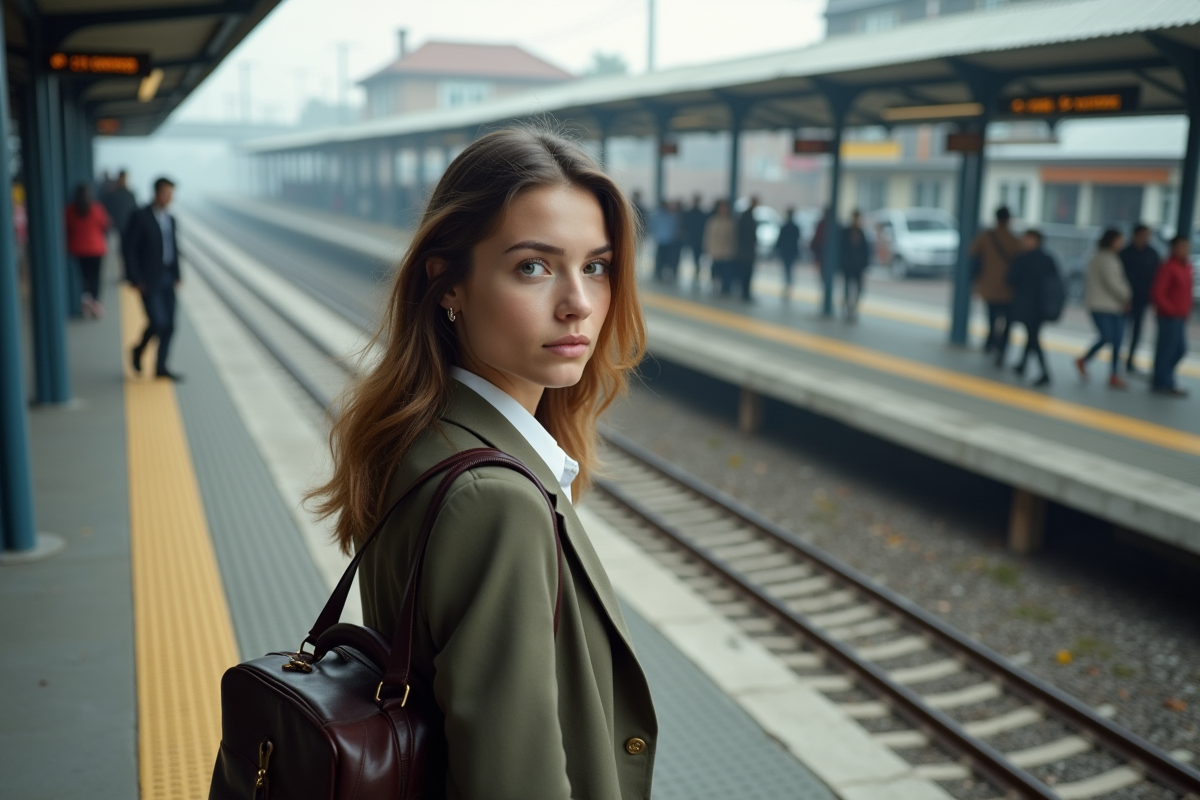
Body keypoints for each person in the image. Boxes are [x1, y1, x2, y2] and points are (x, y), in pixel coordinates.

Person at [306, 127, 657, 799]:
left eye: (596, 266)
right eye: (533, 266)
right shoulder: (494, 497)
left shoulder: (418, 434)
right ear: (448, 284)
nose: (578, 302)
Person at [125, 177, 182, 381]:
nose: (169, 198)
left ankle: (161, 367)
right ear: (156, 193)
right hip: (148, 279)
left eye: (171, 194)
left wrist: (177, 275)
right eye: (166, 193)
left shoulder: (171, 219)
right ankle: (138, 350)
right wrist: (135, 278)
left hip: (168, 276)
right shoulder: (140, 216)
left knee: (170, 325)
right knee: (158, 322)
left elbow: (174, 249)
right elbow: (129, 249)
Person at [1076, 228, 1132, 388]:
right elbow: (1114, 283)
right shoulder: (1106, 258)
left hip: (1111, 306)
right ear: (1112, 241)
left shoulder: (1102, 257)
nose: (1122, 243)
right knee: (1110, 337)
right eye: (1120, 240)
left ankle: (1113, 373)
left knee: (1116, 340)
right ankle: (1090, 362)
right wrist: (1127, 295)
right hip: (1104, 305)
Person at [1006, 229, 1059, 387]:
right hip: (1043, 306)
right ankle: (1022, 365)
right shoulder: (1048, 259)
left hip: (1028, 305)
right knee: (1032, 335)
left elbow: (1010, 279)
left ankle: (1045, 372)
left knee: (1033, 338)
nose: (1024, 241)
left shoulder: (1022, 258)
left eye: (1027, 239)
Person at [970, 207, 1020, 365]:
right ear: (1009, 219)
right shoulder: (1014, 240)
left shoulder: (986, 237)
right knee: (1008, 322)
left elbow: (971, 252)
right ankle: (1002, 349)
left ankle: (991, 344)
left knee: (992, 319)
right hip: (1009, 289)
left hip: (989, 286)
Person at [1149, 236, 1193, 397]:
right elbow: (1158, 293)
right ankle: (1161, 382)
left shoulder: (1186, 266)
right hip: (1169, 316)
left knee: (1179, 349)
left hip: (1180, 316)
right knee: (1166, 350)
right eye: (1182, 246)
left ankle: (1165, 379)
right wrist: (1170, 309)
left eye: (1187, 246)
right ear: (1173, 248)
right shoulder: (1168, 267)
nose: (1185, 250)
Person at [64, 183, 111, 319]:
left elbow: (67, 227)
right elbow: (105, 225)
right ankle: (94, 303)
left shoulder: (69, 210)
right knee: (95, 277)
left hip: (78, 248)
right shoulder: (96, 208)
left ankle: (85, 301)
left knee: (84, 277)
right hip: (96, 248)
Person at [1119, 223, 1160, 374]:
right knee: (1120, 332)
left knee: (1137, 331)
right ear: (1135, 235)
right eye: (1144, 235)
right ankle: (1116, 362)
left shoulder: (1152, 253)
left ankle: (1130, 360)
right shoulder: (1125, 253)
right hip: (1124, 299)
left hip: (1142, 299)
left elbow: (1156, 277)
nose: (1146, 238)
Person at [839, 209, 870, 321]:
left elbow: (866, 250)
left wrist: (865, 265)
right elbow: (841, 249)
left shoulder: (861, 232)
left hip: (858, 267)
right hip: (848, 266)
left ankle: (854, 309)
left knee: (859, 289)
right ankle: (847, 308)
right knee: (847, 288)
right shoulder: (846, 232)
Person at [704, 199, 736, 295]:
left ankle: (725, 288)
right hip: (715, 251)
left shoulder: (730, 222)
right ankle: (715, 285)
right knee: (715, 270)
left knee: (726, 272)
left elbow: (733, 238)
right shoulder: (713, 221)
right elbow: (708, 236)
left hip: (726, 252)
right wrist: (707, 248)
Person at [734, 196, 760, 301]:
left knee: (746, 273)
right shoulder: (748, 217)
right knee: (746, 273)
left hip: (745, 251)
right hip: (746, 251)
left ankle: (745, 293)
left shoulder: (746, 216)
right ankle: (745, 293)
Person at [650, 200, 682, 283]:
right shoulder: (672, 216)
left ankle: (659, 274)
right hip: (668, 241)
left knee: (660, 259)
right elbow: (676, 228)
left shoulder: (656, 215)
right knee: (668, 259)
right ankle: (666, 274)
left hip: (661, 240)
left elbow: (652, 227)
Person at [681, 194, 708, 287]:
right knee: (693, 257)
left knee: (696, 257)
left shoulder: (698, 214)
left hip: (695, 239)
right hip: (693, 238)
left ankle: (696, 271)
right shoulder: (698, 214)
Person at [775, 207, 801, 301]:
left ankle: (787, 286)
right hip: (792, 252)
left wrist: (776, 249)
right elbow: (798, 239)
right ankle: (789, 286)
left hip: (785, 251)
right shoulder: (795, 227)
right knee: (789, 270)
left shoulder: (784, 226)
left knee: (786, 270)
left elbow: (779, 239)